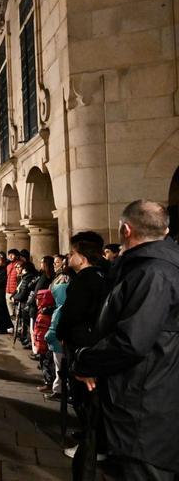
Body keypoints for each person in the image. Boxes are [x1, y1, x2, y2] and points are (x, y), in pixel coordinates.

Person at [73, 200, 179, 480]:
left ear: (125, 230)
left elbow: (132, 341)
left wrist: (85, 361)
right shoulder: (148, 266)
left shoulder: (153, 272)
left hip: (145, 407)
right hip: (140, 398)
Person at [55, 231, 110, 469]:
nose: (69, 257)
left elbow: (73, 314)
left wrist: (62, 334)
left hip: (83, 348)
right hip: (91, 345)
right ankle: (92, 439)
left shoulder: (86, 279)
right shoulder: (102, 275)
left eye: (72, 253)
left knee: (84, 397)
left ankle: (93, 445)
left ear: (83, 256)